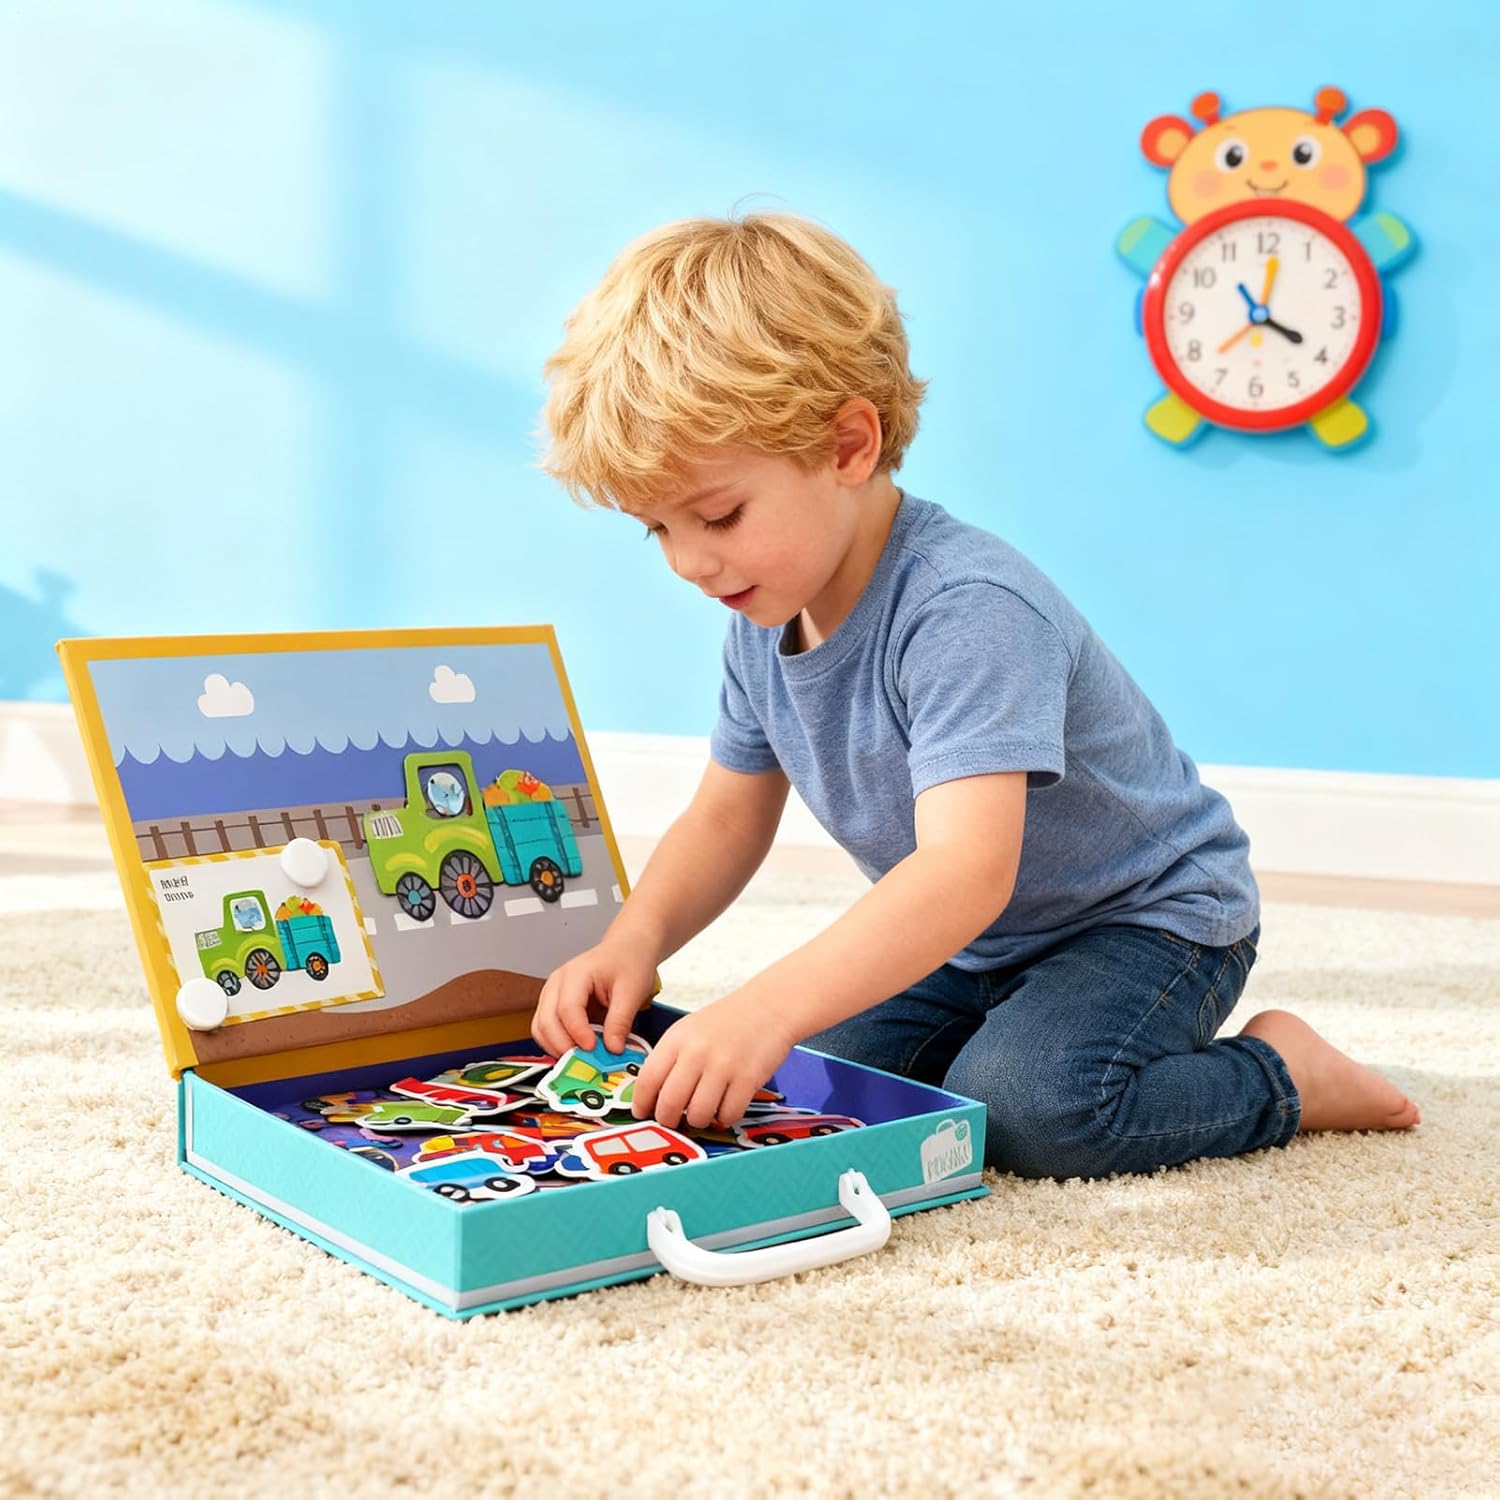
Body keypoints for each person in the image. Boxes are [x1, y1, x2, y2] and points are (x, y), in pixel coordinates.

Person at [529, 210, 1419, 1178]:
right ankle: (1007, 1025)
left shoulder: (967, 608)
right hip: (977, 945)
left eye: (719, 515)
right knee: (812, 1084)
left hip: (1148, 921)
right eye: (657, 530)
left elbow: (963, 872)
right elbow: (724, 816)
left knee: (1034, 1110)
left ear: (849, 445)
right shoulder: (760, 610)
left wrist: (765, 1004)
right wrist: (635, 939)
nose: (690, 563)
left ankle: (1282, 1074)